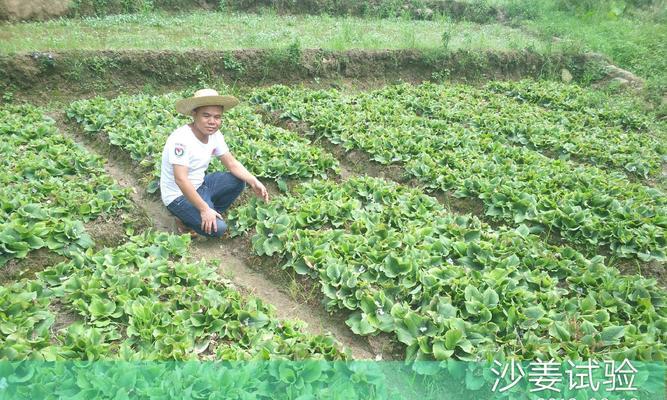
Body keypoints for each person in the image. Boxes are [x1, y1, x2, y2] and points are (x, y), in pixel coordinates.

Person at [160, 88, 269, 237]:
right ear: (194, 114)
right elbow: (181, 179)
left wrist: (253, 180)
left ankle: (206, 214)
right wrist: (204, 209)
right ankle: (187, 219)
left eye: (217, 117)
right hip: (178, 196)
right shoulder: (181, 140)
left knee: (238, 180)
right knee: (218, 229)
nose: (212, 122)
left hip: (200, 185)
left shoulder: (215, 135)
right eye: (206, 115)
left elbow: (231, 163)